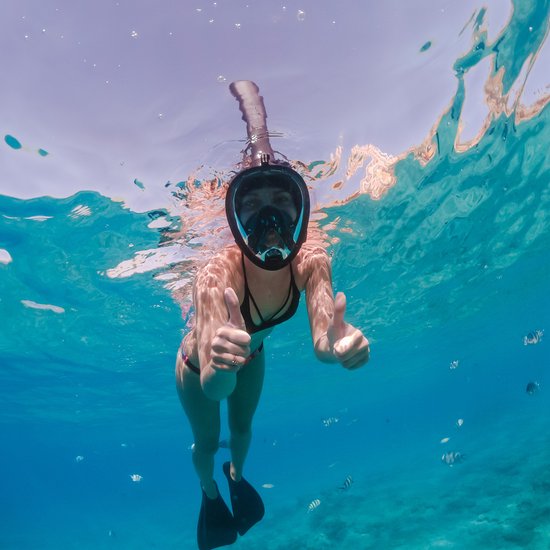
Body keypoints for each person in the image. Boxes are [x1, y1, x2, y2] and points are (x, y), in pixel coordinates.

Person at [175, 154, 370, 550]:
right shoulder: (216, 273)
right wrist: (223, 363)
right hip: (199, 368)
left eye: (281, 201)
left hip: (252, 357)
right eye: (251, 206)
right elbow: (213, 386)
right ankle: (209, 489)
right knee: (208, 443)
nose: (269, 220)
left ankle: (235, 476)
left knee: (243, 430)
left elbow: (322, 340)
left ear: (299, 210)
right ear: (235, 218)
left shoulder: (312, 261)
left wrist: (337, 347)